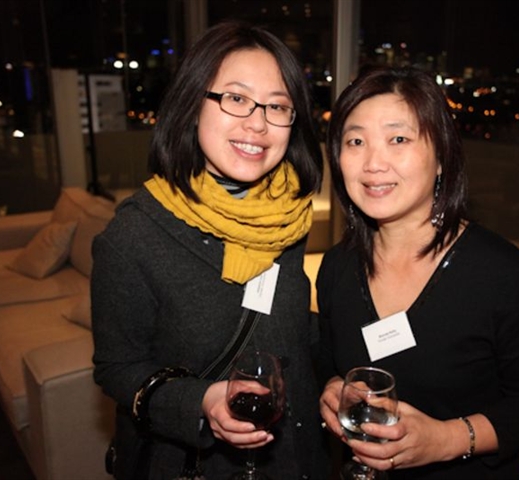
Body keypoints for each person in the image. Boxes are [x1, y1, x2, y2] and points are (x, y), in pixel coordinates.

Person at [92, 21, 329, 480]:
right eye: (236, 99)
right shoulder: (133, 235)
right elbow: (117, 368)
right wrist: (200, 400)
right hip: (198, 465)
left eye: (277, 106)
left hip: (297, 457)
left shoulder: (287, 214)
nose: (258, 123)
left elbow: (284, 324)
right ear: (191, 104)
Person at [317, 65, 519, 479]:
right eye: (356, 141)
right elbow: (330, 363)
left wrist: (447, 439)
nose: (373, 163)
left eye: (398, 139)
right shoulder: (336, 267)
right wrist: (332, 387)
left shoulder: (505, 277)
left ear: (441, 157)